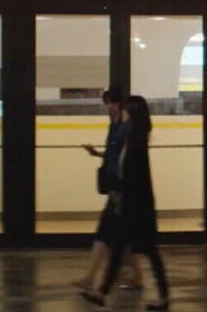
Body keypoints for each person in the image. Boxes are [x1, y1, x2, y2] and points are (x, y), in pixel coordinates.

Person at [82, 95, 169, 311]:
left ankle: (163, 296)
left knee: (149, 251)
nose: (124, 116)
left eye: (126, 112)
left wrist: (120, 192)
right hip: (131, 203)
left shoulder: (136, 140)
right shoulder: (132, 137)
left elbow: (132, 174)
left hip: (137, 206)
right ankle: (102, 292)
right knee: (121, 247)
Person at [73, 86, 143, 293]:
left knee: (105, 232)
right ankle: (136, 277)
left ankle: (92, 278)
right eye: (107, 103)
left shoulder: (125, 127)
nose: (109, 107)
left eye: (112, 103)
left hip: (121, 188)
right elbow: (114, 154)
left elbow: (124, 156)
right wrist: (97, 154)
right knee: (120, 235)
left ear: (120, 104)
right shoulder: (114, 125)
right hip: (116, 186)